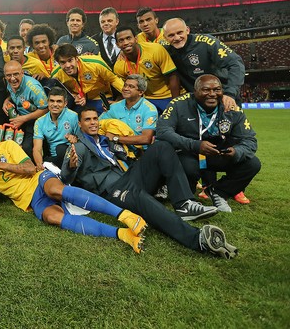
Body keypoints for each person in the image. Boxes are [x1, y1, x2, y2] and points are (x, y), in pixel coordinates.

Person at [61, 108, 239, 259]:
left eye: (95, 119)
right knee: (141, 199)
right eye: (87, 120)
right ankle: (197, 239)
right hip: (111, 191)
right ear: (80, 124)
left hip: (128, 177)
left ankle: (184, 203)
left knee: (161, 146)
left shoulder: (105, 140)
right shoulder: (78, 147)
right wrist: (71, 166)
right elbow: (65, 178)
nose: (93, 123)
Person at [0, 125, 146, 253]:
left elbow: (30, 168)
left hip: (39, 179)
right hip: (29, 199)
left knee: (55, 190)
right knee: (52, 217)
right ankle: (123, 234)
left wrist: (0, 164)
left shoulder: (8, 145)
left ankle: (126, 216)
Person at [156, 74, 261, 212]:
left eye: (217, 89)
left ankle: (219, 192)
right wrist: (195, 145)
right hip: (189, 153)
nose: (212, 94)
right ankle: (177, 188)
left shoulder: (232, 109)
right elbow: (162, 131)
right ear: (195, 91)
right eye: (206, 90)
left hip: (218, 154)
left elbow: (250, 140)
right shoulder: (179, 104)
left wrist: (236, 151)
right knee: (187, 171)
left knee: (252, 164)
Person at [163, 18, 245, 109]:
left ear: (187, 30)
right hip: (197, 103)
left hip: (223, 98)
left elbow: (236, 64)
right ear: (165, 37)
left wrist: (230, 93)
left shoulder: (207, 42)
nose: (177, 38)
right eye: (171, 35)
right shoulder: (166, 52)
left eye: (180, 33)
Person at [112, 26, 179, 113]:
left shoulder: (155, 50)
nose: (126, 43)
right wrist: (116, 104)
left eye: (128, 38)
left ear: (136, 39)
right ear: (117, 44)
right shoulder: (119, 66)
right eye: (121, 40)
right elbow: (126, 90)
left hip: (166, 96)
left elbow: (173, 76)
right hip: (143, 100)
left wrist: (175, 103)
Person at [53, 44, 124, 111]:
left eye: (70, 60)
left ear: (76, 58)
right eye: (63, 62)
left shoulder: (95, 63)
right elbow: (59, 92)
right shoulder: (56, 75)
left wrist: (128, 95)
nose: (67, 65)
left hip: (99, 97)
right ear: (58, 63)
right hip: (78, 101)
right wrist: (74, 96)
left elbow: (114, 79)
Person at [99, 75, 159, 149]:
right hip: (117, 149)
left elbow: (146, 139)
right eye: (125, 85)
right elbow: (98, 125)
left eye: (131, 87)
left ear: (140, 92)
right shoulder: (114, 107)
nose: (125, 89)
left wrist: (116, 138)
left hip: (141, 152)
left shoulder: (149, 109)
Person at [3, 60, 49, 156]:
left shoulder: (33, 88)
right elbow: (13, 94)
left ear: (22, 73)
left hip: (37, 120)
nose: (12, 78)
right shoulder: (9, 83)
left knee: (26, 148)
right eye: (8, 75)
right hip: (20, 118)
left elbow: (46, 109)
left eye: (16, 74)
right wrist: (7, 100)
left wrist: (24, 119)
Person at [32, 87, 80, 169]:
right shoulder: (39, 122)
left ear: (65, 103)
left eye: (59, 101)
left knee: (61, 149)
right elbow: (37, 149)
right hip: (54, 159)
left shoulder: (73, 116)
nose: (55, 104)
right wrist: (40, 165)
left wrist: (75, 139)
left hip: (72, 155)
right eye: (52, 101)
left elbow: (82, 140)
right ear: (47, 102)